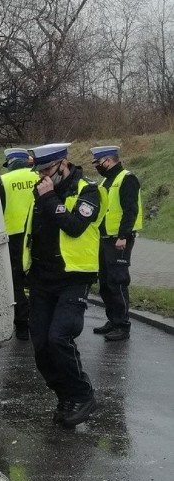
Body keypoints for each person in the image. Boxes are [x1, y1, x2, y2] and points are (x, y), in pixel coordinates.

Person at [22, 143, 105, 428]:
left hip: (73, 278)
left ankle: (82, 395)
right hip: (42, 278)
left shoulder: (88, 191)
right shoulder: (43, 191)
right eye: (39, 171)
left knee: (59, 338)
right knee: (42, 346)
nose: (42, 177)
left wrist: (50, 199)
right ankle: (65, 396)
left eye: (47, 170)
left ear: (63, 164)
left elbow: (73, 226)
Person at [90, 146, 143, 342]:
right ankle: (113, 320)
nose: (97, 167)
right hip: (104, 238)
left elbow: (130, 210)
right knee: (105, 283)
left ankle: (122, 325)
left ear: (108, 160)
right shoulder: (106, 181)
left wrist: (123, 235)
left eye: (98, 163)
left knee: (117, 282)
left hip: (119, 240)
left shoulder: (127, 179)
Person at [0, 148, 38, 340]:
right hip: (38, 235)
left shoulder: (3, 181)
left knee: (16, 281)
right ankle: (40, 319)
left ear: (11, 162)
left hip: (13, 238)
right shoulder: (41, 176)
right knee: (37, 278)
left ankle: (22, 325)